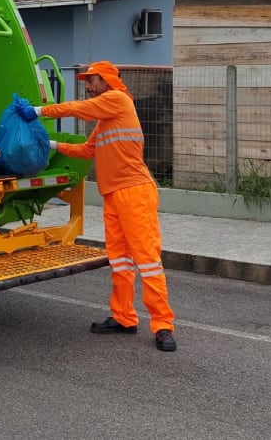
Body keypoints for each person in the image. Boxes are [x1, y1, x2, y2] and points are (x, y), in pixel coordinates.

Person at [18, 61, 177, 352]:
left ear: (106, 80)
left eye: (91, 80)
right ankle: (124, 317)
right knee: (120, 261)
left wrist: (39, 112)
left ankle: (163, 325)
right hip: (114, 196)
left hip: (134, 193)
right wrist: (50, 144)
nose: (87, 86)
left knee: (147, 261)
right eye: (86, 81)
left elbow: (78, 109)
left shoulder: (116, 100)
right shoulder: (107, 119)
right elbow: (88, 150)